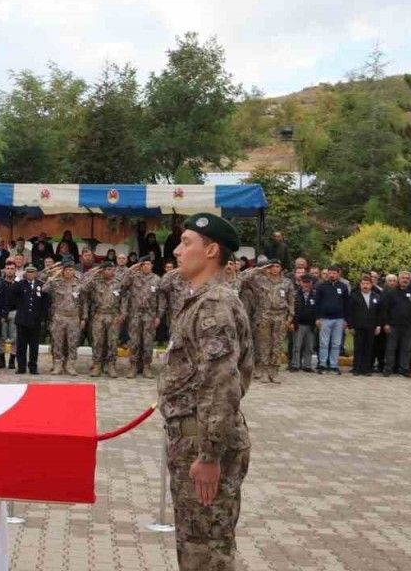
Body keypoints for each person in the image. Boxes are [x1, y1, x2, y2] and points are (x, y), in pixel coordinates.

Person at [160, 212, 252, 569]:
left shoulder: (214, 304)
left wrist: (210, 454)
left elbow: (222, 383)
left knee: (206, 551)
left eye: (186, 243)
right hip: (193, 440)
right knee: (198, 544)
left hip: (203, 444)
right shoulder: (201, 300)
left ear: (211, 250)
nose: (177, 251)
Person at [12, 265, 48, 375]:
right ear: (25, 273)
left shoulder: (41, 285)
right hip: (22, 319)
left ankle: (33, 367)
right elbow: (13, 293)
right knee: (21, 345)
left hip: (35, 320)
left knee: (34, 346)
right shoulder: (20, 284)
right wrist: (18, 278)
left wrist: (43, 318)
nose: (30, 274)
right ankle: (21, 367)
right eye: (28, 272)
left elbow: (45, 303)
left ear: (36, 274)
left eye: (32, 272)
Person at [313, 266, 350, 374]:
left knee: (336, 343)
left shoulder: (343, 287)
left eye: (334, 273)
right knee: (324, 343)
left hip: (339, 319)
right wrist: (317, 318)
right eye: (330, 273)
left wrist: (346, 320)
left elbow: (346, 304)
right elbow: (317, 303)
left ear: (338, 274)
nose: (331, 275)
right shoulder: (321, 286)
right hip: (324, 319)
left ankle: (333, 365)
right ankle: (323, 364)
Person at [380, 271, 411, 377]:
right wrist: (386, 323)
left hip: (408, 326)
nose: (405, 280)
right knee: (390, 348)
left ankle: (404, 369)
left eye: (407, 278)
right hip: (393, 325)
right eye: (403, 278)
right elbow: (385, 310)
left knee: (406, 349)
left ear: (410, 280)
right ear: (399, 280)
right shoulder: (391, 293)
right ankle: (388, 369)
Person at [346, 276, 381, 376]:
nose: (365, 286)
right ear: (360, 285)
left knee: (369, 348)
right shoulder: (354, 296)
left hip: (371, 326)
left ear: (371, 285)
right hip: (358, 326)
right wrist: (350, 326)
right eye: (363, 284)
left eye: (367, 284)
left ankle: (366, 369)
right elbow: (349, 312)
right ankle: (357, 368)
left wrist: (378, 326)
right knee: (358, 347)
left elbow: (379, 312)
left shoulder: (376, 296)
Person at [289, 274, 317, 372]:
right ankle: (295, 365)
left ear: (311, 283)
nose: (306, 285)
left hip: (311, 324)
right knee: (297, 346)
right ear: (301, 283)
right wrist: (291, 322)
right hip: (298, 324)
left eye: (308, 283)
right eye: (304, 282)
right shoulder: (295, 294)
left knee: (309, 347)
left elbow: (317, 309)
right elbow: (291, 309)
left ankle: (307, 365)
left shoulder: (315, 295)